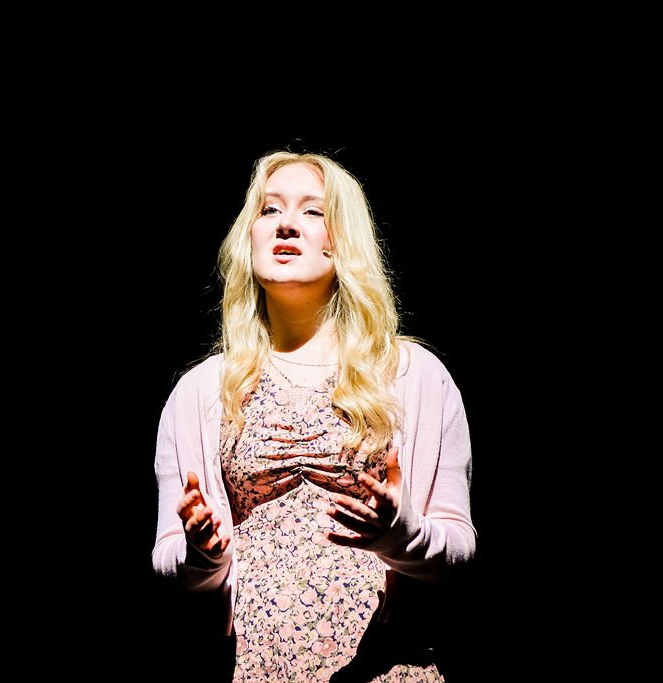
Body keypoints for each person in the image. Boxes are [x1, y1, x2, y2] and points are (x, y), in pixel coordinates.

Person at [152, 151, 475, 682]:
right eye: (269, 209)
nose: (284, 223)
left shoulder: (412, 374)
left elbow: (461, 546)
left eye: (312, 211)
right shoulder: (202, 391)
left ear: (342, 240)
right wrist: (199, 555)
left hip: (389, 669)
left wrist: (402, 535)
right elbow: (168, 559)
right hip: (253, 671)